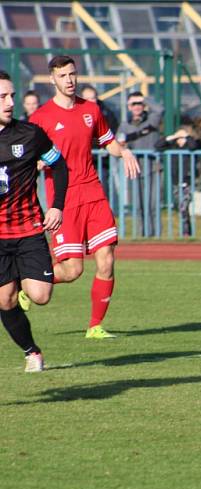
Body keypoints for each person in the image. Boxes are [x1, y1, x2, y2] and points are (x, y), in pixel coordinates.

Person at [27, 55, 140, 339]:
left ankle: (95, 327)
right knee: (73, 269)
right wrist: (36, 163)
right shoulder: (40, 118)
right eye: (63, 76)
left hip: (93, 192)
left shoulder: (91, 110)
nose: (70, 80)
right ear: (52, 79)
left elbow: (109, 143)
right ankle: (26, 282)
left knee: (107, 260)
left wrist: (124, 151)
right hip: (64, 200)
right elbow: (27, 157)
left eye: (73, 74)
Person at [0, 70, 68, 371]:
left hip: (29, 229)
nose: (10, 102)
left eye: (12, 95)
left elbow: (60, 165)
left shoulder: (30, 134)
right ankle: (32, 352)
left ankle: (22, 274)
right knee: (5, 301)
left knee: (40, 295)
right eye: (3, 97)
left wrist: (56, 207)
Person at [117, 91, 164, 237]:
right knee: (138, 205)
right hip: (134, 169)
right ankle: (141, 236)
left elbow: (160, 110)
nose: (137, 107)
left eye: (139, 104)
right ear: (129, 107)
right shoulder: (125, 126)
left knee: (153, 205)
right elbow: (118, 143)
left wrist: (144, 99)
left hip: (153, 168)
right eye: (133, 104)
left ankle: (156, 237)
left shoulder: (151, 120)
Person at [155, 126, 201, 237]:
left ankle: (186, 232)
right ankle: (186, 231)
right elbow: (158, 145)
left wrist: (186, 136)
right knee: (181, 207)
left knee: (184, 206)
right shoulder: (173, 145)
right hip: (176, 180)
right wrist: (173, 137)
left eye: (182, 136)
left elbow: (194, 146)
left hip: (188, 180)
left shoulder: (192, 143)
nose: (180, 139)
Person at [80, 85, 120, 199]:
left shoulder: (105, 112)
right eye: (87, 99)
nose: (91, 101)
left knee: (102, 190)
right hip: (83, 160)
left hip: (102, 159)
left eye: (93, 98)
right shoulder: (75, 112)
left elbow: (112, 131)